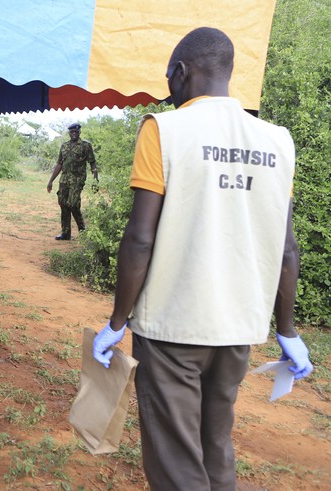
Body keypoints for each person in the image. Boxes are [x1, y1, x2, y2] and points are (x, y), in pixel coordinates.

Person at [91, 27, 313, 491]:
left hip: (173, 327)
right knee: (216, 445)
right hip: (237, 331)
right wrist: (287, 331)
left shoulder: (164, 130)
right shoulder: (279, 141)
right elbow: (287, 248)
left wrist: (117, 320)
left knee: (176, 460)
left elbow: (139, 240)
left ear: (180, 73)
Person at [47, 123, 99, 240]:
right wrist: (51, 181)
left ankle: (82, 229)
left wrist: (96, 180)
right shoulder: (64, 146)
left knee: (73, 204)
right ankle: (65, 233)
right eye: (72, 132)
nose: (74, 134)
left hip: (77, 179)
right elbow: (59, 164)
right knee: (63, 204)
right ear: (69, 133)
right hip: (64, 179)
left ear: (79, 132)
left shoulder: (86, 145)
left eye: (76, 131)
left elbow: (92, 163)